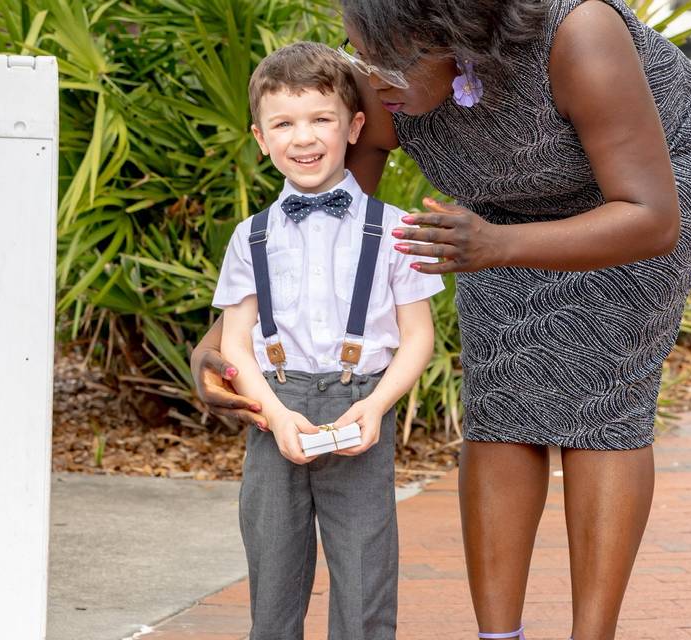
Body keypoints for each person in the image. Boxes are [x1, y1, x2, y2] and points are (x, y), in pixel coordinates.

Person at [193, 1, 691, 638]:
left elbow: (651, 216)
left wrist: (498, 246)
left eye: (392, 61)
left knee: (603, 399)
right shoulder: (378, 78)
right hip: (494, 212)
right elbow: (334, 235)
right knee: (499, 396)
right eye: (361, 54)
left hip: (636, 203)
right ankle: (497, 636)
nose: (372, 78)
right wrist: (224, 341)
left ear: (456, 34)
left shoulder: (578, 35)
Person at [211, 41, 444, 640]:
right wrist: (274, 414)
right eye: (283, 123)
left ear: (353, 126)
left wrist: (374, 406)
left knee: (366, 578)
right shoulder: (251, 236)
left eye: (321, 119)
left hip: (360, 408)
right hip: (276, 415)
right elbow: (235, 341)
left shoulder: (395, 230)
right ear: (261, 137)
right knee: (273, 576)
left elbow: (418, 337)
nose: (303, 138)